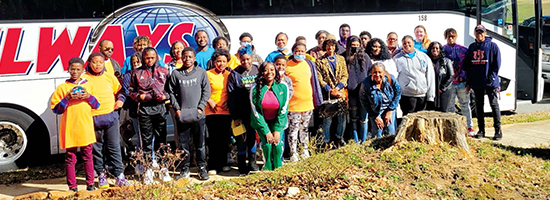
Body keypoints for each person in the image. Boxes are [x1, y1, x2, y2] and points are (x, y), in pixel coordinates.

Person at [51, 57, 99, 192]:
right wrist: (67, 98)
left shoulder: (88, 86)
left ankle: (90, 183)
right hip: (70, 127)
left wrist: (88, 96)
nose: (75, 72)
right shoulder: (63, 88)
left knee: (88, 156)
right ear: (68, 70)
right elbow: (56, 109)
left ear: (83, 70)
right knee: (70, 158)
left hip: (85, 126)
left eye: (78, 69)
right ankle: (72, 187)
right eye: (72, 69)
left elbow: (96, 105)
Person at [82, 52, 127, 188]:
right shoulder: (84, 79)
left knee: (114, 147)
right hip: (93, 119)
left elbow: (121, 91)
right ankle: (101, 175)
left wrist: (120, 100)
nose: (97, 65)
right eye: (95, 62)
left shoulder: (109, 76)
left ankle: (119, 175)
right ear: (89, 63)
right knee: (97, 149)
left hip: (111, 118)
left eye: (100, 62)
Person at [167, 47, 211, 180]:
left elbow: (206, 91)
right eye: (184, 56)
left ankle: (201, 168)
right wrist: (177, 109)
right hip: (183, 115)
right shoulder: (176, 74)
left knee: (200, 144)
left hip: (198, 115)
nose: (187, 59)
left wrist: (200, 107)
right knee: (183, 145)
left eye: (190, 57)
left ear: (194, 58)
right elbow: (171, 93)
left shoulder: (201, 73)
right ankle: (184, 169)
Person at [128, 47, 170, 182]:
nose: (150, 60)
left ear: (156, 57)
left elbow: (171, 90)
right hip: (144, 111)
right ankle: (148, 170)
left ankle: (163, 169)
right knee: (146, 142)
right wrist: (138, 97)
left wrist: (164, 96)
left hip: (160, 110)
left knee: (162, 141)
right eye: (147, 58)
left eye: (152, 57)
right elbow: (130, 90)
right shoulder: (136, 72)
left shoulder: (164, 71)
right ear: (143, 58)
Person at [464, 24, 502, 140]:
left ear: (485, 33)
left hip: (490, 81)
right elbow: (468, 65)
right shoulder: (472, 47)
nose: (479, 35)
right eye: (477, 33)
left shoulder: (492, 46)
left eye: (481, 32)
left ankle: (498, 130)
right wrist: (469, 81)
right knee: (479, 106)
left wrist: (492, 77)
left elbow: (497, 63)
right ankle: (481, 130)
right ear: (475, 34)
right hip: (477, 82)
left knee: (494, 104)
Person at [286, 43, 323, 162]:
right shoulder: (287, 65)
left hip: (307, 103)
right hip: (293, 104)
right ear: (293, 51)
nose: (300, 53)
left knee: (305, 129)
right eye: (297, 51)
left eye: (302, 51)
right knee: (293, 129)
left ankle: (304, 150)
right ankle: (293, 152)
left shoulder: (309, 64)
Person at [250, 62, 290, 171]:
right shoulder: (255, 87)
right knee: (267, 145)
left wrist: (277, 130)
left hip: (277, 121)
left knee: (277, 144)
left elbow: (284, 109)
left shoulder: (282, 86)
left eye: (272, 70)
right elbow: (256, 112)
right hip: (261, 122)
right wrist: (267, 131)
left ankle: (278, 168)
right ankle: (267, 168)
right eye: (266, 70)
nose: (269, 73)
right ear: (261, 73)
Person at [227, 45, 260, 175]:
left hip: (254, 112)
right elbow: (231, 96)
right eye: (243, 60)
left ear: (252, 58)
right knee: (241, 139)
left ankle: (252, 162)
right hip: (240, 113)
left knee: (252, 138)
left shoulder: (257, 70)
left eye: (248, 59)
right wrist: (235, 115)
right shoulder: (234, 74)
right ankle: (241, 165)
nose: (246, 62)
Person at [442, 28, 475, 136]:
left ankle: (469, 126)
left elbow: (469, 66)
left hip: (462, 82)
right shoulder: (443, 50)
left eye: (453, 36)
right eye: (449, 36)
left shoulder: (463, 50)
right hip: (450, 83)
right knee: (450, 106)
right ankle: (452, 127)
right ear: (446, 37)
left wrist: (468, 81)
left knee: (465, 104)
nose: (451, 38)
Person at [316, 38, 348, 146]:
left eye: (333, 45)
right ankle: (326, 141)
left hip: (340, 93)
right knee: (327, 119)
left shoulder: (341, 59)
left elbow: (345, 75)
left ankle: (339, 138)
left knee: (341, 118)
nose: (330, 48)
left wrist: (337, 88)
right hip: (327, 94)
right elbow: (319, 78)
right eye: (328, 45)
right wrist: (329, 90)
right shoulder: (320, 61)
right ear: (325, 47)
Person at [205, 49, 232, 175]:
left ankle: (224, 164)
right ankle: (213, 165)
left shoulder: (229, 75)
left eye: (224, 61)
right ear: (214, 62)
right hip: (212, 111)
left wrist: (229, 101)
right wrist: (209, 101)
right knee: (213, 140)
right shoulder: (207, 74)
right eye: (218, 61)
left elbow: (232, 90)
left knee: (225, 139)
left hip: (226, 112)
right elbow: (202, 91)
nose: (221, 64)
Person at [393, 35, 435, 116]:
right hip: (407, 94)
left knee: (421, 119)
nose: (407, 45)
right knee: (408, 118)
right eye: (404, 43)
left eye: (409, 43)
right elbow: (395, 77)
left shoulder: (423, 57)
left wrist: (430, 96)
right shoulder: (397, 59)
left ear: (413, 43)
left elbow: (430, 76)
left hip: (422, 93)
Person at [360, 63, 401, 138]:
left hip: (389, 108)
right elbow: (363, 101)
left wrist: (390, 110)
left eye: (380, 72)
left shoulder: (390, 79)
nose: (377, 75)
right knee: (377, 135)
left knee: (390, 132)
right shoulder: (366, 83)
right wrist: (374, 116)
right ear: (371, 73)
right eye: (374, 72)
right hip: (375, 111)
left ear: (384, 72)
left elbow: (398, 92)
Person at [345, 36, 371, 144]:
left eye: (357, 45)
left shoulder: (365, 57)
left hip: (363, 92)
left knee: (364, 118)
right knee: (353, 117)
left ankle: (364, 140)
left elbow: (370, 72)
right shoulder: (345, 57)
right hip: (351, 93)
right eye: (353, 45)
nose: (355, 47)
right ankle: (355, 140)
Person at [427, 41, 454, 111]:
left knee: (443, 111)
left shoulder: (446, 61)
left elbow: (451, 75)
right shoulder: (428, 61)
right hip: (431, 90)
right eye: (433, 48)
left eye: (437, 48)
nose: (435, 50)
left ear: (440, 50)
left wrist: (442, 88)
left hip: (444, 90)